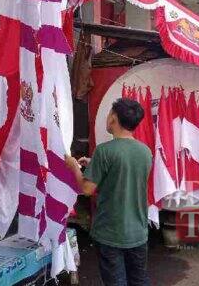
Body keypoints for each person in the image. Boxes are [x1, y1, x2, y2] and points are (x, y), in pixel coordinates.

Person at [65, 98, 152, 286]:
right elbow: (123, 177)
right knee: (139, 280)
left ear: (113, 118)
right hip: (138, 231)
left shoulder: (104, 151)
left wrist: (74, 167)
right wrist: (94, 165)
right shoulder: (145, 151)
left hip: (111, 232)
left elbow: (87, 189)